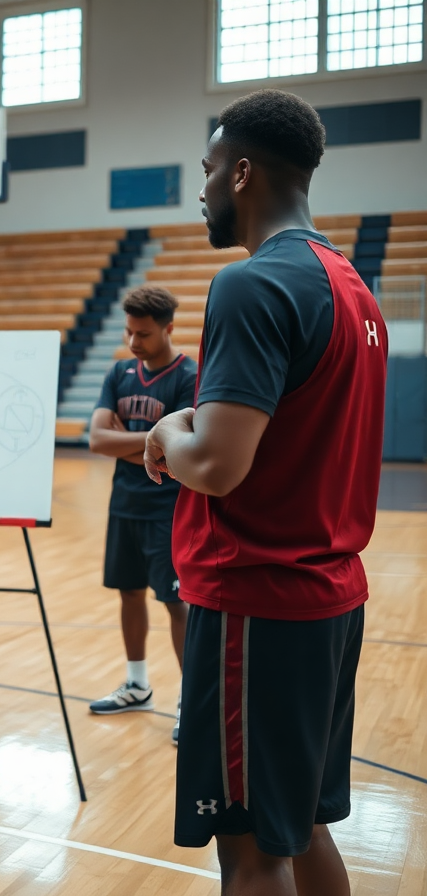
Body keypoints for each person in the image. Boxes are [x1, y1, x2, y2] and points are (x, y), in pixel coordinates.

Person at [144, 89, 387, 896]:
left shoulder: (251, 284)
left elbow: (214, 466)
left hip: (256, 602)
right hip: (328, 597)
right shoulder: (350, 286)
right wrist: (191, 422)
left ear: (242, 172)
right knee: (302, 827)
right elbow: (265, 428)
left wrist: (165, 435)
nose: (203, 188)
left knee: (251, 852)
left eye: (209, 170)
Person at [87, 286, 195, 743]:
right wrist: (154, 440)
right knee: (128, 594)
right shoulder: (119, 371)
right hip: (124, 506)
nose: (133, 343)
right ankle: (137, 684)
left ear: (168, 328)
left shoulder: (189, 377)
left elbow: (182, 450)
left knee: (175, 603)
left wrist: (134, 442)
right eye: (129, 332)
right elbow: (95, 439)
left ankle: (191, 702)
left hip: (167, 510)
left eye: (144, 334)